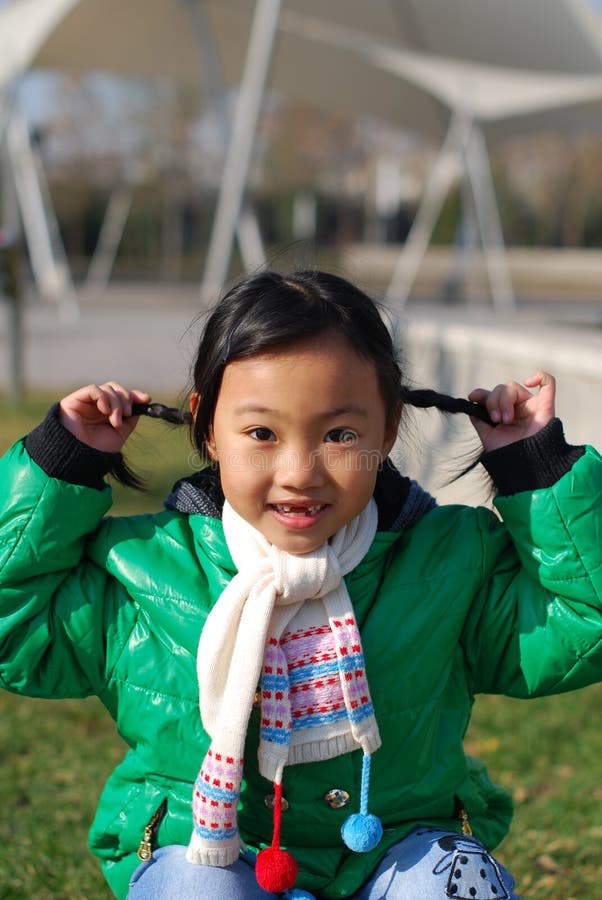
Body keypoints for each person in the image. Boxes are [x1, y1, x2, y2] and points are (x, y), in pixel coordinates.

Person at [0, 269, 600, 900]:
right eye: (261, 434)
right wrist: (57, 469)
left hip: (397, 847)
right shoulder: (144, 566)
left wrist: (536, 468)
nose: (298, 473)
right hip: (209, 849)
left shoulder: (451, 560)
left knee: (452, 885)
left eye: (340, 435)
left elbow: (585, 622)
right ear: (207, 429)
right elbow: (14, 634)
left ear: (388, 429)